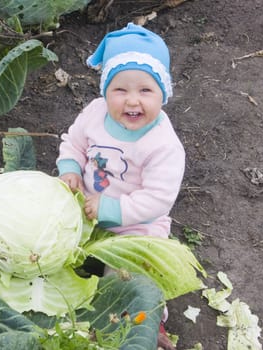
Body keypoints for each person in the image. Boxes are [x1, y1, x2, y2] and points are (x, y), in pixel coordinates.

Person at [56, 23, 184, 350]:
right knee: (44, 253)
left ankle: (146, 324)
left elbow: (157, 199)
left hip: (135, 227)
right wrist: (70, 169)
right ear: (104, 91)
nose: (132, 101)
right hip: (83, 208)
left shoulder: (163, 145)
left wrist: (113, 210)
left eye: (145, 91)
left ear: (163, 93)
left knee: (132, 278)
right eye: (120, 90)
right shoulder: (95, 114)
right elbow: (74, 143)